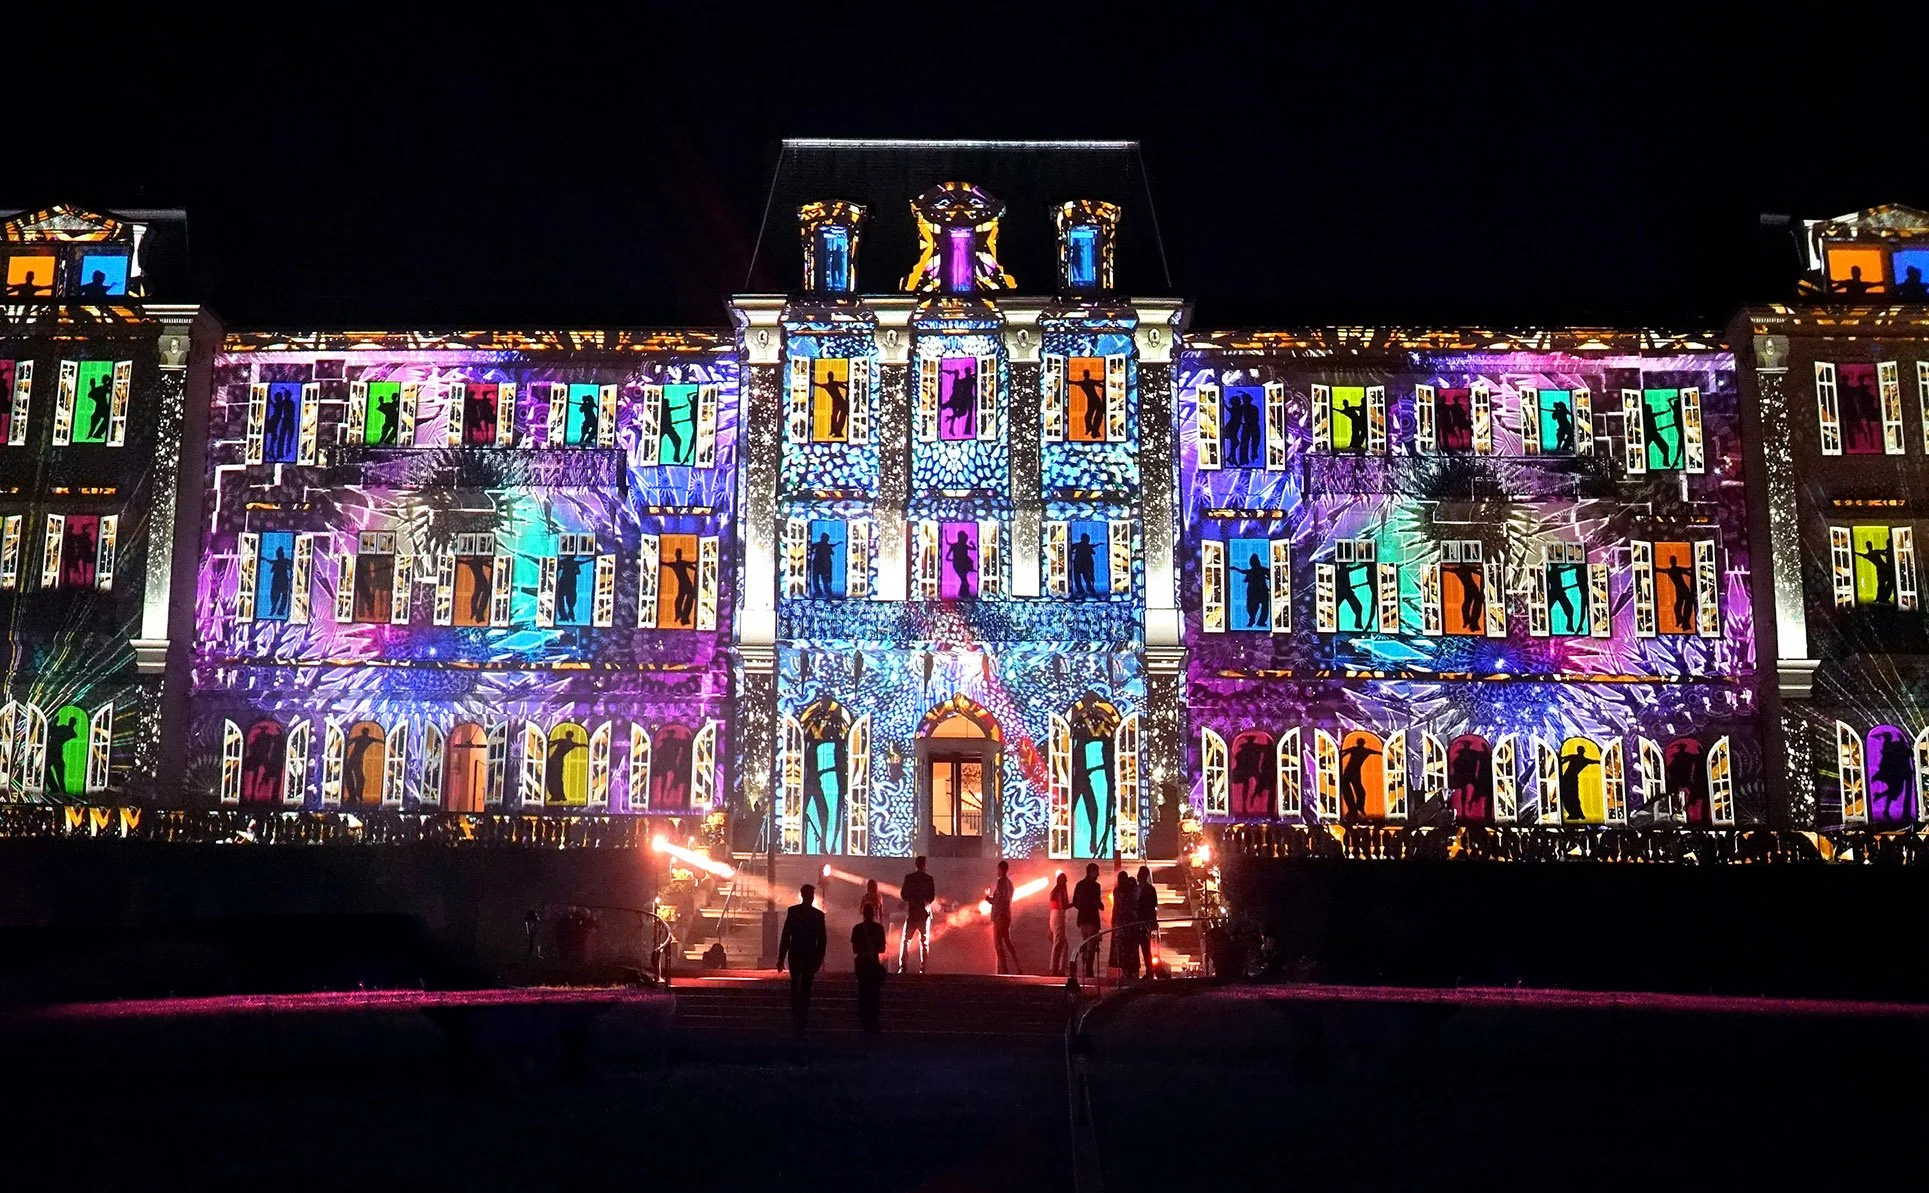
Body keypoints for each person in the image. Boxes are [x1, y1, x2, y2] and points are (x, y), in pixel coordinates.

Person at [776, 883, 827, 1031]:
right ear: (811, 897)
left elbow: (786, 936)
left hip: (796, 953)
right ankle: (803, 1016)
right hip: (810, 954)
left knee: (795, 983)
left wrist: (781, 958)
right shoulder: (818, 916)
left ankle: (795, 1015)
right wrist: (819, 958)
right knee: (806, 986)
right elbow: (822, 940)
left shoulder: (793, 912)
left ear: (802, 895)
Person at [852, 900, 886, 1033]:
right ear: (874, 914)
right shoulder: (879, 929)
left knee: (863, 990)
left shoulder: (857, 928)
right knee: (874, 992)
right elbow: (882, 949)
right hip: (873, 963)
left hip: (861, 963)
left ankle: (863, 1016)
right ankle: (874, 1019)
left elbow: (855, 950)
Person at [898, 855, 935, 974]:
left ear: (916, 865)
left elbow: (903, 895)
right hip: (924, 914)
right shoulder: (929, 879)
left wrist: (912, 898)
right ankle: (923, 968)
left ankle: (903, 966)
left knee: (906, 940)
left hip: (912, 913)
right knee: (924, 942)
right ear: (925, 865)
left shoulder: (909, 878)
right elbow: (931, 897)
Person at [1071, 863, 1104, 978]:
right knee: (1092, 944)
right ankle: (1089, 969)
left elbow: (1075, 902)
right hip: (1092, 919)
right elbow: (1097, 902)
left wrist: (1082, 907)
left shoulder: (1079, 885)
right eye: (1097, 872)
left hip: (1082, 919)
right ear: (1092, 872)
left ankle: (1085, 966)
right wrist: (1100, 906)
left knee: (1085, 942)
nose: (1098, 874)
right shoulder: (1096, 886)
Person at [988, 860, 1019, 975]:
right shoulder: (1010, 883)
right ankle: (1017, 966)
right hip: (1006, 915)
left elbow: (998, 901)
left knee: (998, 944)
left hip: (999, 916)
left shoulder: (1000, 883)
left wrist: (988, 899)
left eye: (998, 869)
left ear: (1001, 869)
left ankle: (1003, 970)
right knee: (1007, 942)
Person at [1111, 870, 1140, 980]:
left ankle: (1128, 971)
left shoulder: (1120, 891)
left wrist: (1114, 922)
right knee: (1127, 949)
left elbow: (1117, 907)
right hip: (1128, 922)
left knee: (1126, 949)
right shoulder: (1128, 891)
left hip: (1125, 923)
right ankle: (1129, 971)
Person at [1135, 865, 1159, 977]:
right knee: (1137, 948)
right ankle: (1138, 970)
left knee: (1145, 947)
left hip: (1144, 922)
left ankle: (1149, 970)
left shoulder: (1149, 889)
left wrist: (1152, 922)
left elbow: (1153, 905)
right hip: (1136, 921)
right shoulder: (1136, 888)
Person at [1047, 872, 1070, 976]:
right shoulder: (1060, 892)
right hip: (1059, 916)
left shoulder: (1053, 892)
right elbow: (1063, 906)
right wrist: (1075, 903)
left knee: (1063, 943)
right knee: (1059, 943)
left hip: (1053, 915)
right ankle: (1055, 968)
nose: (1066, 881)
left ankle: (1059, 967)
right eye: (1065, 880)